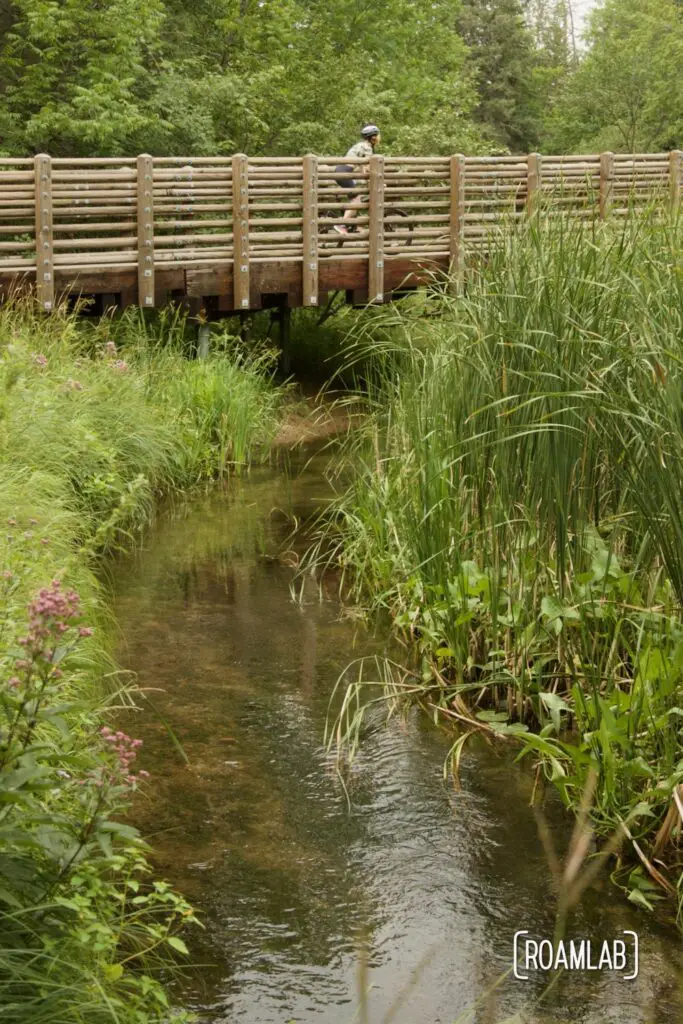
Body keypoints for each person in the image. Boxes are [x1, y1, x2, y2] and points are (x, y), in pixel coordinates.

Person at [333, 124, 381, 235]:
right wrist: (378, 182)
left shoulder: (360, 145)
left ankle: (356, 225)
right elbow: (369, 169)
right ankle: (342, 224)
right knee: (356, 200)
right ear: (372, 137)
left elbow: (363, 169)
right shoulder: (367, 148)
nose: (378, 138)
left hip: (340, 171)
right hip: (344, 172)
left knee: (356, 197)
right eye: (377, 135)